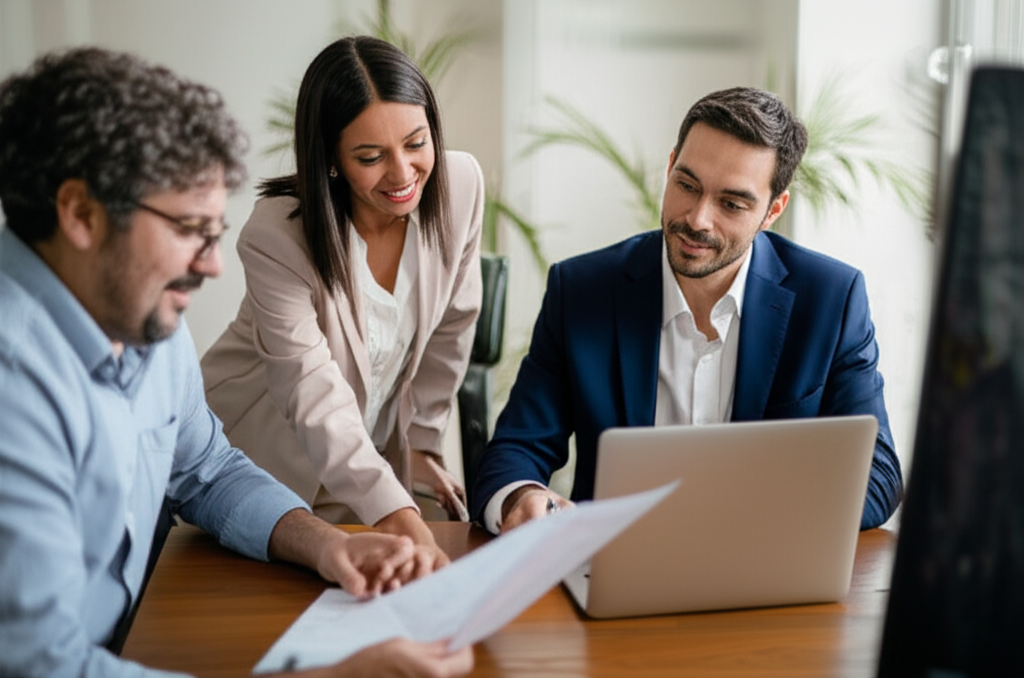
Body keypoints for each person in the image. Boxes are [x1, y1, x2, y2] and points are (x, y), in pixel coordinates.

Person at [0, 47, 472, 678]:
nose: (212, 264)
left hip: (143, 627)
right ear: (81, 215)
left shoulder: (145, 321)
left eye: (213, 233)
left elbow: (208, 469)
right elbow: (44, 667)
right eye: (189, 228)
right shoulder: (14, 384)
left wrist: (330, 548)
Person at [471, 86, 903, 534]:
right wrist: (521, 497)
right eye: (687, 185)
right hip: (614, 565)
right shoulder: (582, 291)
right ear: (671, 165)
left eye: (731, 204)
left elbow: (879, 474)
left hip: (763, 568)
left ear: (773, 209)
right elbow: (515, 449)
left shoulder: (831, 299)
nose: (697, 218)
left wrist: (760, 525)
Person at [201, 36, 482, 568]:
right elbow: (314, 394)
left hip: (373, 466)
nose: (402, 175)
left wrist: (420, 445)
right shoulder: (277, 236)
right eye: (371, 157)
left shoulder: (461, 184)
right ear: (331, 159)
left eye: (416, 143)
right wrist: (398, 513)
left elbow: (452, 326)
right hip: (269, 462)